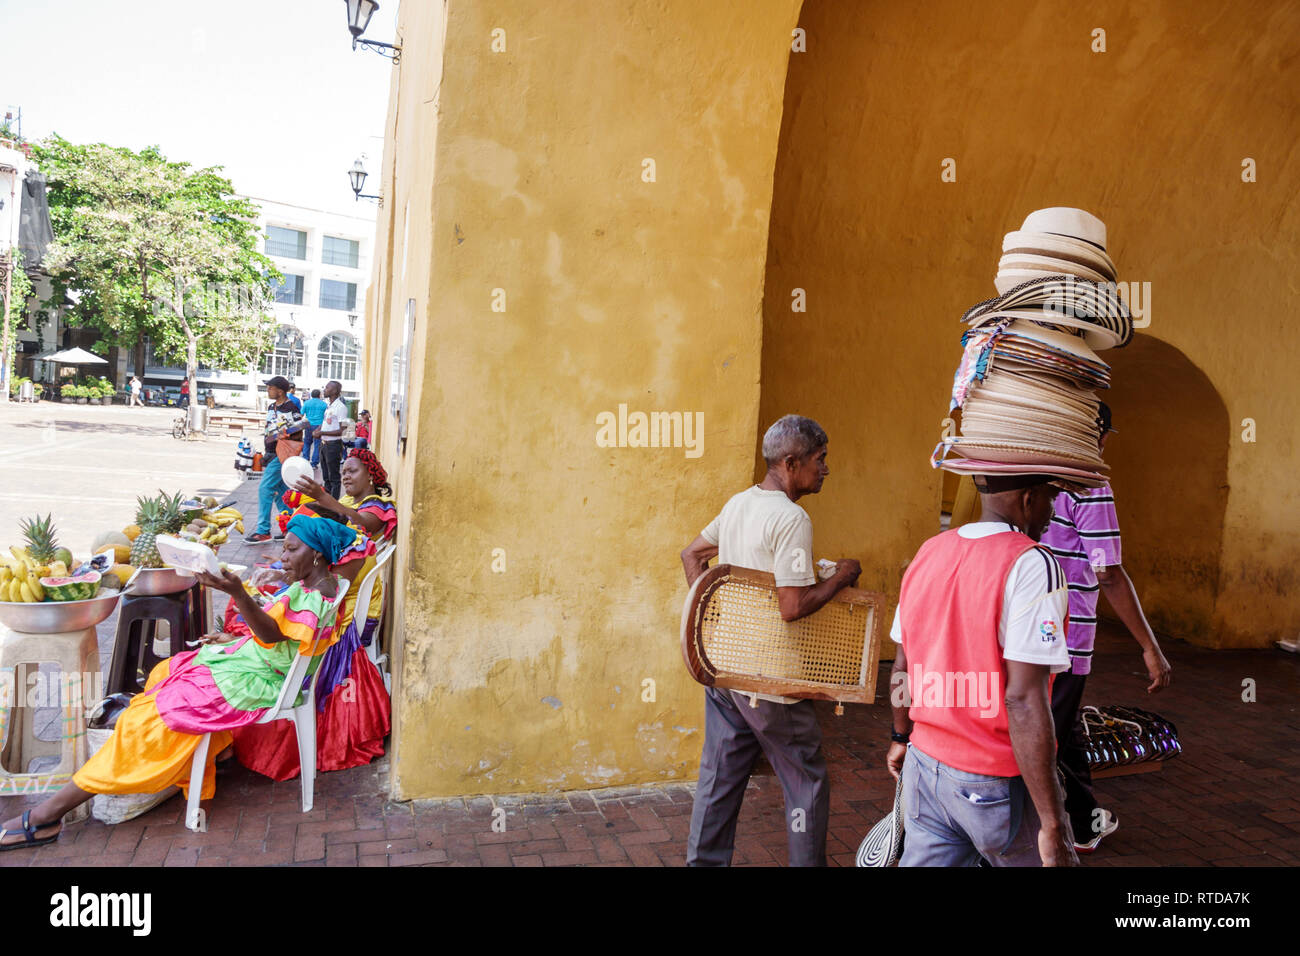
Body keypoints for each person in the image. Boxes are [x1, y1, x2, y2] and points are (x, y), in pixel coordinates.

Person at [0, 515, 354, 850]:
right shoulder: (321, 584)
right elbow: (283, 639)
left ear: (318, 555)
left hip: (260, 682)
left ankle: (49, 814)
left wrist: (240, 595)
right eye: (285, 548)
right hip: (253, 665)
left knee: (145, 723)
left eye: (292, 550)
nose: (283, 556)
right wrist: (236, 639)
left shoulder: (314, 597)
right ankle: (211, 750)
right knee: (168, 670)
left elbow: (275, 636)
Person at [679, 414, 861, 867]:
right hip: (769, 678)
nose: (826, 469)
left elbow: (693, 554)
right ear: (791, 461)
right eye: (820, 460)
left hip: (726, 667)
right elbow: (792, 606)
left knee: (718, 779)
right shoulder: (791, 517)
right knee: (806, 780)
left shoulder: (740, 503)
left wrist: (714, 617)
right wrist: (842, 576)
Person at [887, 473, 1077, 867]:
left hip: (925, 767)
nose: (1052, 510)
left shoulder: (929, 551)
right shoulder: (1032, 563)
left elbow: (902, 669)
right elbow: (1023, 698)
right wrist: (1052, 821)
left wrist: (900, 735)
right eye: (1050, 497)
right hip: (993, 779)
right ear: (1029, 498)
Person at [1039, 402, 1172, 853]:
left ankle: (1084, 820)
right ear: (1099, 435)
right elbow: (1108, 573)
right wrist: (1150, 646)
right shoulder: (1090, 485)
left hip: (1021, 630)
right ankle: (1034, 830)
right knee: (1049, 734)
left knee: (1064, 725)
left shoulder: (1027, 471)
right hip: (1065, 633)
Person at [233, 449, 398, 778]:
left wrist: (322, 496)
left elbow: (362, 525)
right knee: (269, 589)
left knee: (262, 610)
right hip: (337, 588)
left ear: (372, 475)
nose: (347, 477)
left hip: (348, 609)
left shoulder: (378, 506)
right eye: (343, 471)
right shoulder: (349, 506)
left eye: (352, 471)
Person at [245, 376, 301, 544]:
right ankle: (291, 528)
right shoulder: (272, 406)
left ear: (280, 391)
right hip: (272, 453)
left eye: (270, 388)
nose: (268, 391)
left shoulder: (291, 407)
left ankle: (263, 531)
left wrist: (286, 433)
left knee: (265, 489)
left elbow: (299, 431)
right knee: (280, 492)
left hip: (282, 453)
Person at [317, 380, 349, 499]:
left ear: (335, 391)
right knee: (326, 477)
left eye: (327, 388)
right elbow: (326, 423)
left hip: (333, 445)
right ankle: (327, 502)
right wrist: (319, 430)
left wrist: (322, 432)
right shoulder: (329, 406)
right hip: (324, 444)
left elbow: (342, 430)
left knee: (334, 477)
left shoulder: (340, 408)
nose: (325, 389)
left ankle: (334, 504)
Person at [301, 388, 327, 469]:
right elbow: (327, 416)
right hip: (319, 426)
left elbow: (301, 414)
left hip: (308, 425)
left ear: (311, 395)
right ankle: (314, 464)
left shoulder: (307, 403)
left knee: (307, 442)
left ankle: (305, 461)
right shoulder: (324, 404)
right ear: (319, 395)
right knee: (317, 445)